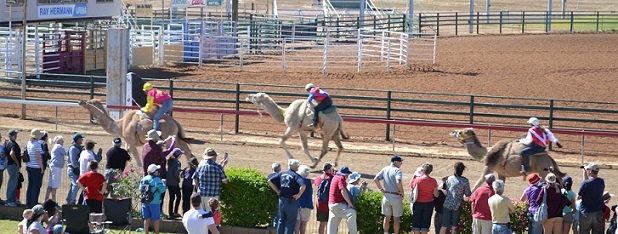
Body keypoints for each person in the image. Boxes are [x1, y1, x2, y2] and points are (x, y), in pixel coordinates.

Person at [268, 159, 306, 234]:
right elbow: (303, 185)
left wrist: (277, 191)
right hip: (291, 202)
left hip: (281, 201)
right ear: (296, 167)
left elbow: (270, 181)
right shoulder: (296, 176)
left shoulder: (282, 173)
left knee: (281, 221)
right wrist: (299, 195)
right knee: (290, 223)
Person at [374, 155, 405, 234]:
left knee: (387, 218)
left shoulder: (385, 169)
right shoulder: (397, 170)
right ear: (395, 162)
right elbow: (398, 181)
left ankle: (385, 233)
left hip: (386, 196)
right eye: (400, 162)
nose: (401, 163)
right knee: (396, 219)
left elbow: (376, 179)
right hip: (395, 196)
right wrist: (402, 192)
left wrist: (381, 189)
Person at [440, 162, 472, 234]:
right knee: (454, 226)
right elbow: (468, 194)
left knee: (444, 226)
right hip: (457, 205)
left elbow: (446, 189)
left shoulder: (449, 178)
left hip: (447, 203)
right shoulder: (464, 181)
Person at [193, 148, 228, 212]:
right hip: (213, 195)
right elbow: (225, 181)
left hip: (201, 194)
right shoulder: (218, 167)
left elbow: (195, 179)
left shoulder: (200, 166)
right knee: (213, 216)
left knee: (202, 214)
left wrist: (198, 188)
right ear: (214, 157)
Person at [327, 166, 357, 234]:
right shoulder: (341, 178)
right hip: (338, 205)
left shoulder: (335, 177)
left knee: (332, 226)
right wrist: (349, 203)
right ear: (345, 174)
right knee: (352, 213)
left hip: (331, 205)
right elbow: (343, 191)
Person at [410, 163, 438, 234]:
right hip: (429, 202)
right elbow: (436, 194)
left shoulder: (417, 180)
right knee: (425, 223)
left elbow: (412, 188)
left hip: (418, 202)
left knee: (416, 222)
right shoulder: (433, 181)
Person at [578, 162, 605, 234]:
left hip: (586, 212)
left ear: (590, 171)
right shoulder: (601, 181)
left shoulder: (586, 183)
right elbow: (590, 183)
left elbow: (579, 197)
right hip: (598, 212)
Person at [140, 164, 168, 234]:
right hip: (154, 201)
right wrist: (164, 184)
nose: (158, 172)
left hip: (145, 201)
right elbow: (162, 190)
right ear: (155, 171)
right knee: (156, 219)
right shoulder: (157, 179)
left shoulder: (144, 178)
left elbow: (140, 189)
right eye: (157, 170)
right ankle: (156, 233)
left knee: (146, 218)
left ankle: (146, 232)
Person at [78, 139, 102, 205]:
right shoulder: (90, 155)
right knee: (87, 192)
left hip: (82, 174)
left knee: (84, 191)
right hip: (88, 176)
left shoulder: (83, 152)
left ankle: (79, 204)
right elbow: (90, 165)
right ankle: (83, 206)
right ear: (92, 147)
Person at [26, 129, 46, 208]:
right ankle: (34, 203)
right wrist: (42, 167)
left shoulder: (29, 143)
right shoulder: (37, 144)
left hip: (29, 165)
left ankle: (29, 203)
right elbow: (38, 157)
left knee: (30, 185)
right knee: (36, 186)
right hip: (36, 167)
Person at [314, 162, 335, 234]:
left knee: (322, 224)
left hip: (320, 203)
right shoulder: (332, 179)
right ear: (329, 170)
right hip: (329, 203)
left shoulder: (318, 178)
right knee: (330, 224)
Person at [45, 135, 67, 202]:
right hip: (56, 167)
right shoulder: (59, 146)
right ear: (59, 141)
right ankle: (54, 200)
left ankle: (46, 198)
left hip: (53, 166)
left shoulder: (55, 146)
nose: (63, 142)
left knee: (51, 184)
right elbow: (66, 153)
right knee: (55, 184)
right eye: (62, 140)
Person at [66, 133, 85, 205]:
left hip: (76, 169)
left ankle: (69, 199)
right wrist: (76, 168)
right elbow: (73, 160)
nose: (82, 140)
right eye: (81, 139)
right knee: (76, 185)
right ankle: (72, 201)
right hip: (72, 169)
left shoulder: (79, 147)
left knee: (73, 185)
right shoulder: (73, 148)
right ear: (77, 140)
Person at [5, 129, 21, 207]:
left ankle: (12, 199)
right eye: (15, 135)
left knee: (13, 183)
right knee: (12, 183)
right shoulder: (13, 144)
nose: (16, 136)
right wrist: (17, 162)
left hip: (10, 165)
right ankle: (9, 201)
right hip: (13, 166)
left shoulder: (8, 143)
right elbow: (12, 153)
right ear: (13, 136)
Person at [296, 165, 314, 234]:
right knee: (303, 223)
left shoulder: (297, 180)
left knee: (297, 222)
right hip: (307, 204)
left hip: (297, 203)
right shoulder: (309, 181)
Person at [166, 148, 183, 219]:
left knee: (171, 197)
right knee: (178, 196)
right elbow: (176, 173)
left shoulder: (169, 161)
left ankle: (170, 213)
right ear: (178, 155)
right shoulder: (177, 162)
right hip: (174, 182)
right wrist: (178, 179)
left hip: (168, 182)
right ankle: (175, 211)